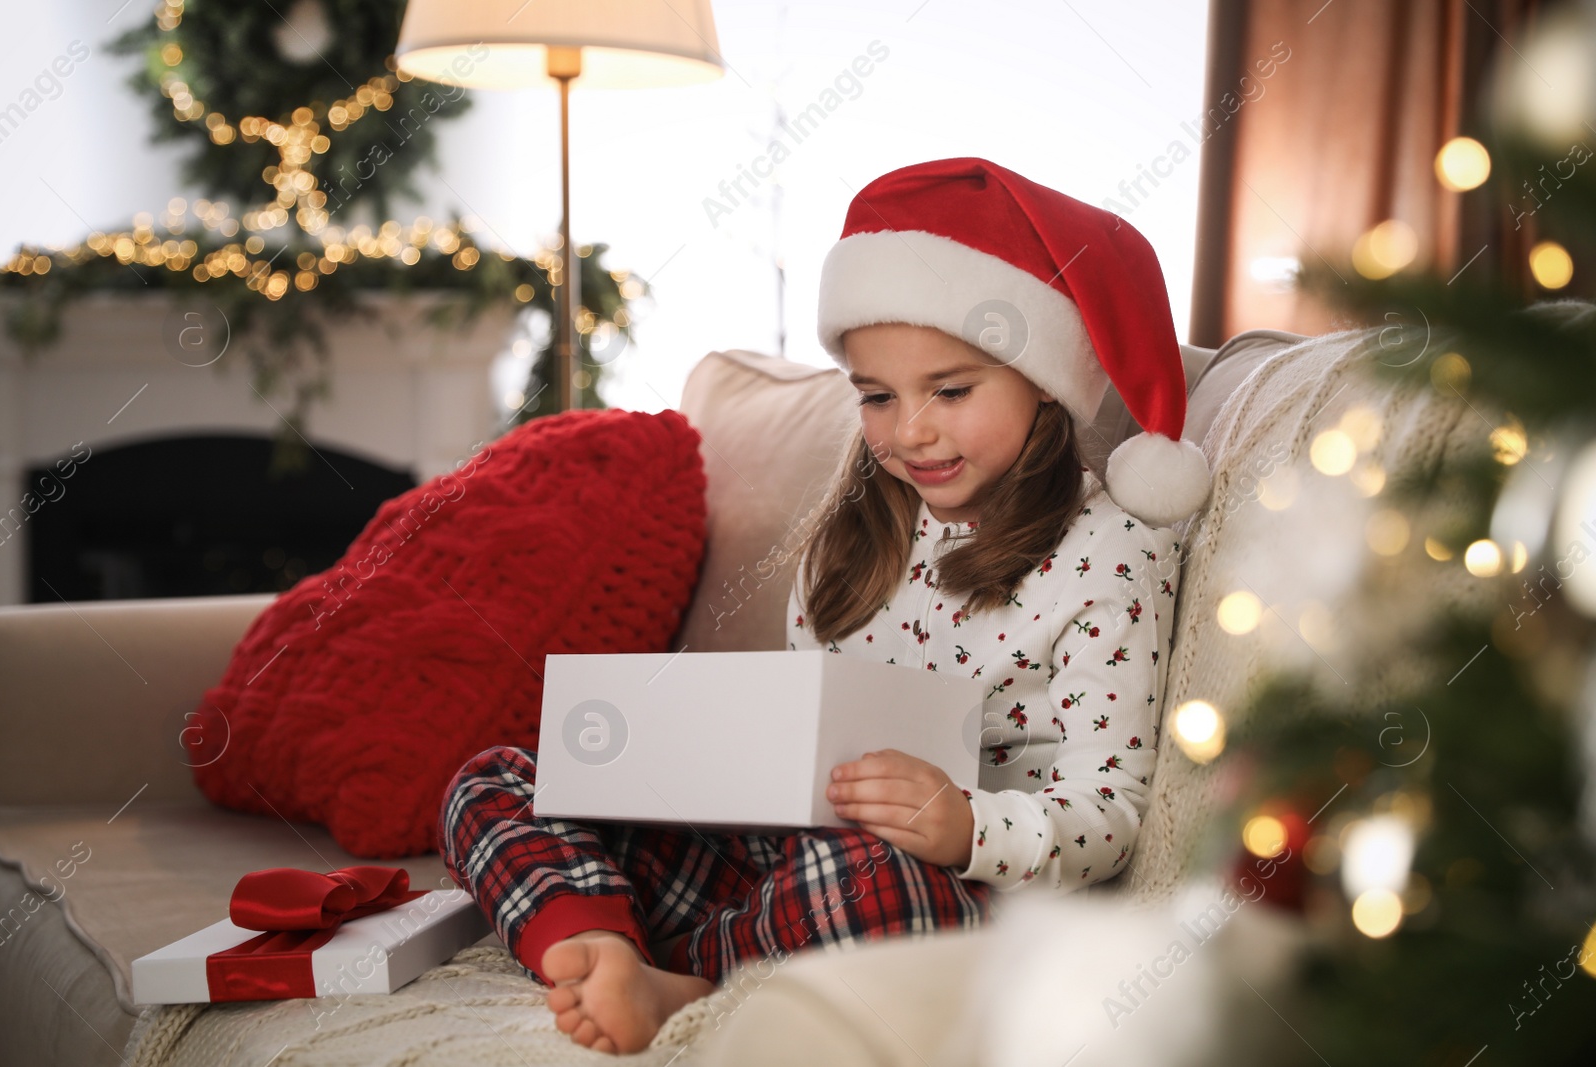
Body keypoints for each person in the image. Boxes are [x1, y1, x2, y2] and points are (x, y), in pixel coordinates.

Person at [437, 156, 1211, 1055]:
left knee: (873, 878)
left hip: (934, 887)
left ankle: (689, 977)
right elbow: (799, 732)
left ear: (1045, 380)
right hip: (774, 866)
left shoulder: (1109, 551)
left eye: (950, 391)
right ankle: (599, 939)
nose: (909, 431)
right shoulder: (857, 530)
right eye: (877, 397)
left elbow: (1110, 812)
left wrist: (965, 825)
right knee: (496, 777)